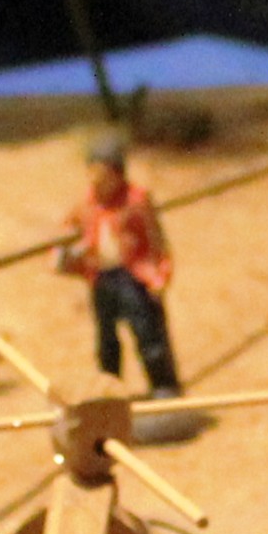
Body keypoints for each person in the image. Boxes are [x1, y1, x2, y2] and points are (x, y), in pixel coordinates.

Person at [56, 134, 182, 398]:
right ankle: (109, 390)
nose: (96, 180)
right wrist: (66, 254)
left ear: (116, 174)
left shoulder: (136, 201)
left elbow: (155, 239)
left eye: (103, 174)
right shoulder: (86, 203)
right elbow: (66, 232)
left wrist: (161, 272)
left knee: (148, 334)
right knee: (106, 340)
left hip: (133, 277)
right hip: (102, 277)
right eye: (92, 173)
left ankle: (163, 387)